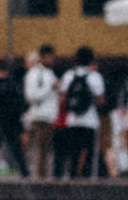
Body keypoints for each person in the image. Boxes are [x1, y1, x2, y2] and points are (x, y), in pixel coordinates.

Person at [57, 47, 104, 180]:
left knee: (73, 153)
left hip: (72, 120)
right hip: (90, 121)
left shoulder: (68, 75)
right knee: (90, 154)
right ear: (91, 60)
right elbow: (101, 100)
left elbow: (63, 97)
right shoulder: (95, 76)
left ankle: (71, 178)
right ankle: (89, 180)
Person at [21, 49, 61, 178]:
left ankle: (42, 176)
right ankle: (39, 178)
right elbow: (31, 96)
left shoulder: (50, 73)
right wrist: (50, 88)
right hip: (40, 116)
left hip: (50, 116)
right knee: (40, 149)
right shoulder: (34, 74)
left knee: (45, 150)